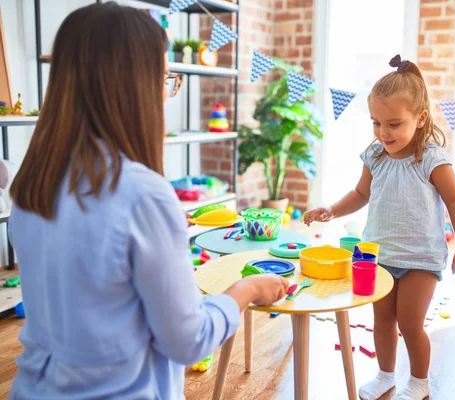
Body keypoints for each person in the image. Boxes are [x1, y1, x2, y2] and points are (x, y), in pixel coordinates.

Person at [8, 3, 288, 399]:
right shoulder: (141, 195)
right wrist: (245, 290)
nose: (166, 93)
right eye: (165, 79)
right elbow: (188, 341)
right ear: (136, 86)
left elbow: (88, 284)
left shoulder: (30, 183)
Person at [304, 55, 455, 400]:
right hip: (377, 254)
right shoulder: (375, 155)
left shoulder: (431, 158)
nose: (384, 132)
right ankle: (385, 376)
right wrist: (332, 210)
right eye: (376, 123)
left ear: (420, 117)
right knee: (382, 321)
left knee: (410, 324)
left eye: (394, 124)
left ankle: (419, 382)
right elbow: (360, 193)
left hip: (420, 259)